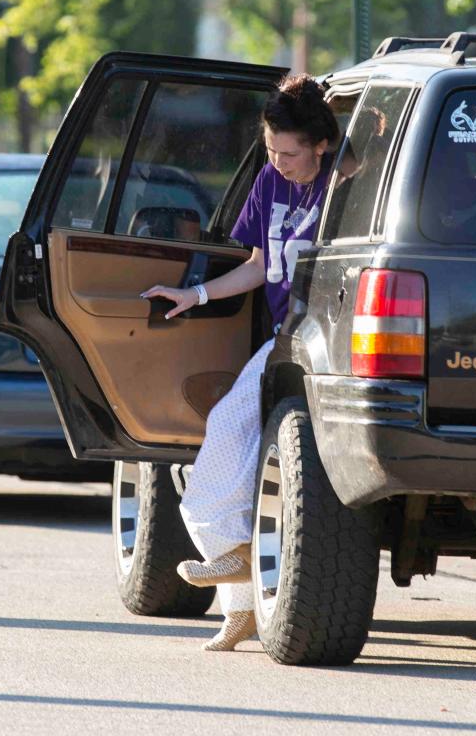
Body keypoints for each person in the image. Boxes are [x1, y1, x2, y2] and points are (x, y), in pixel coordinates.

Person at [141, 74, 339, 652]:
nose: (278, 163)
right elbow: (258, 265)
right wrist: (195, 296)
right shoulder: (271, 183)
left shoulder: (346, 184)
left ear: (321, 145)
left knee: (241, 440)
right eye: (272, 150)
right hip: (284, 342)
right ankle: (241, 606)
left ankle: (240, 571)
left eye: (290, 153)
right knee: (234, 445)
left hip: (329, 344)